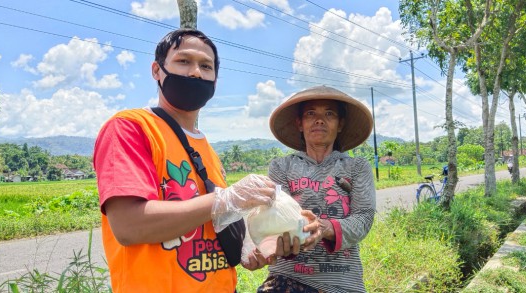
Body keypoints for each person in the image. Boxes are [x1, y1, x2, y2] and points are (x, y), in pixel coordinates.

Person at [93, 28, 318, 292]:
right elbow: (128, 226)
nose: (196, 72)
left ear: (214, 80)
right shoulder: (131, 127)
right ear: (157, 70)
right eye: (183, 61)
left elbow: (210, 223)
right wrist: (224, 199)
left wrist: (259, 240)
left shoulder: (206, 149)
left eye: (206, 66)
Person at [258, 85, 377, 293]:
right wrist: (281, 241)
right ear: (300, 124)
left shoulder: (356, 167)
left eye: (329, 114)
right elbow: (277, 218)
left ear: (340, 124)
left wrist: (324, 228)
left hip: (342, 281)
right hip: (287, 277)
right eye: (310, 113)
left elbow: (363, 218)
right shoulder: (281, 167)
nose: (319, 120)